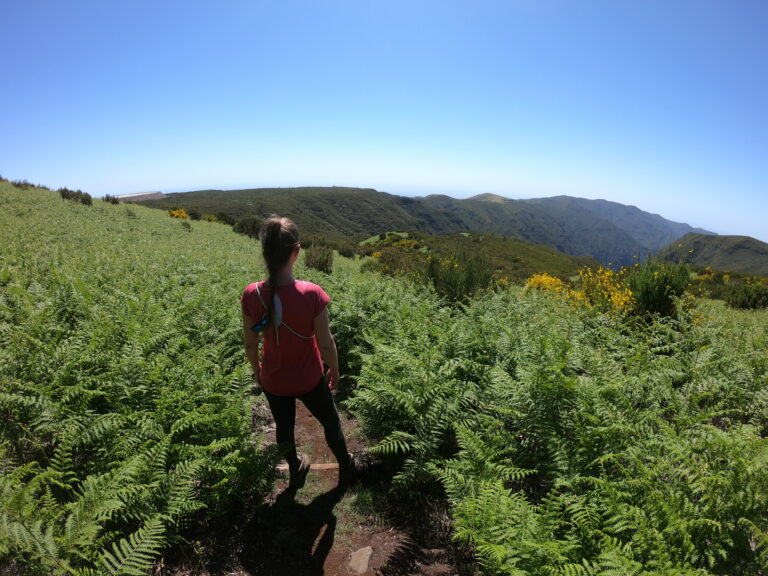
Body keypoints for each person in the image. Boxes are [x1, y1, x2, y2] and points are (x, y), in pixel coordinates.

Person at [241, 216, 354, 489]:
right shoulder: (312, 294)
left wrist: (258, 370)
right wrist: (335, 369)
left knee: (283, 425)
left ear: (265, 251)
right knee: (330, 420)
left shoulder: (251, 294)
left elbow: (249, 343)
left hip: (274, 379)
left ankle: (295, 467)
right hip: (309, 378)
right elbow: (326, 344)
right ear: (297, 251)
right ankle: (346, 465)